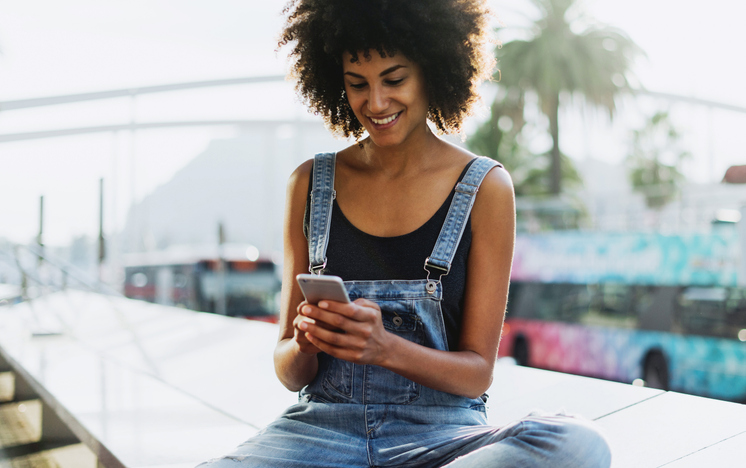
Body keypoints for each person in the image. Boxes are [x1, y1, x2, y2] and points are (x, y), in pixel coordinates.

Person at [199, 0, 611, 466]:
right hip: (320, 433)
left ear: (432, 70)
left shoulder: (484, 188)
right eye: (357, 84)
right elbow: (289, 371)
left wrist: (385, 348)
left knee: (577, 442)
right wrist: (305, 342)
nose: (375, 103)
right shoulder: (309, 185)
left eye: (394, 79)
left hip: (441, 437)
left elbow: (477, 374)